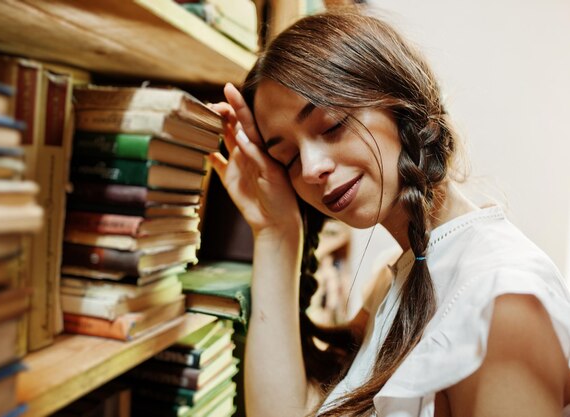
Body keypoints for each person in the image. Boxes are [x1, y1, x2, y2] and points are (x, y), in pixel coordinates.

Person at [207, 6, 570, 417]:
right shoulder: (394, 279)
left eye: (331, 125)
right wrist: (276, 231)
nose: (310, 169)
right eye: (287, 157)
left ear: (403, 104)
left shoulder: (505, 304)